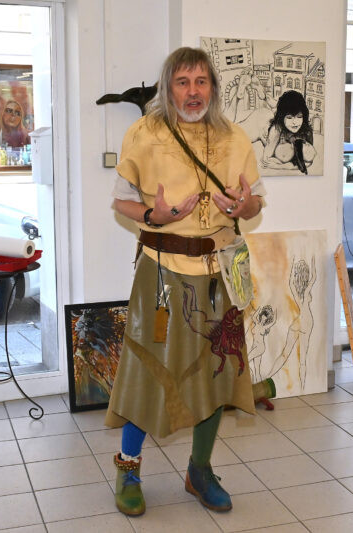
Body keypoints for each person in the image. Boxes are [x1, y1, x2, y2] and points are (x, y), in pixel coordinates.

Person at [105, 47, 265, 517]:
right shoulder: (144, 133)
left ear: (212, 86)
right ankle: (128, 468)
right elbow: (121, 202)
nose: (193, 92)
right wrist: (153, 215)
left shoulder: (235, 137)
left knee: (216, 373)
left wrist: (245, 207)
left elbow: (256, 202)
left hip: (218, 273)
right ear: (168, 87)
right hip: (161, 273)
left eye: (201, 81)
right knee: (147, 369)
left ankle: (200, 470)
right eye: (182, 82)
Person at [260, 90, 316, 174]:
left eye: (299, 117)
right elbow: (266, 160)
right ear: (282, 117)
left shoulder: (306, 131)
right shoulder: (277, 129)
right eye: (289, 118)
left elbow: (308, 161)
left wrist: (281, 166)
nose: (295, 122)